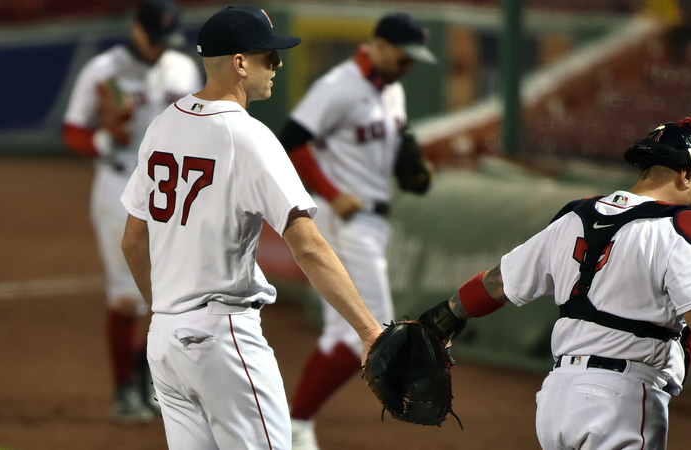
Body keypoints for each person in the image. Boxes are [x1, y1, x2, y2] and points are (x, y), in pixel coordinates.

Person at [415, 112, 691, 449]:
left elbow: (497, 283)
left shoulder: (575, 216)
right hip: (619, 401)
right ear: (684, 175)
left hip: (555, 401)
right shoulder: (680, 226)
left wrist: (442, 317)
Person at [119, 6, 382, 449]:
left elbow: (131, 241)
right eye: (268, 56)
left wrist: (167, 312)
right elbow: (310, 247)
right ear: (239, 63)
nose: (277, 65)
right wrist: (369, 330)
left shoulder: (163, 125)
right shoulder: (249, 136)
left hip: (165, 344)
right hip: (223, 341)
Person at [277, 12, 436, 449]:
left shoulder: (393, 91)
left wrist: (412, 172)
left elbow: (390, 149)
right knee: (372, 331)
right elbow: (289, 140)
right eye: (404, 57)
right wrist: (330, 192)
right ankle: (295, 422)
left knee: (341, 333)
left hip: (374, 219)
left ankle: (295, 424)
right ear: (379, 46)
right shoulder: (338, 86)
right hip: (344, 221)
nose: (410, 67)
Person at [61, 0, 201, 424]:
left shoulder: (182, 69)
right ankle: (123, 389)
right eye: (153, 39)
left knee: (176, 294)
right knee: (127, 296)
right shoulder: (103, 69)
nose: (159, 49)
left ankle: (149, 379)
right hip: (120, 185)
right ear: (135, 30)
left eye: (166, 41)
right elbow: (73, 130)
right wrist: (104, 140)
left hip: (174, 192)